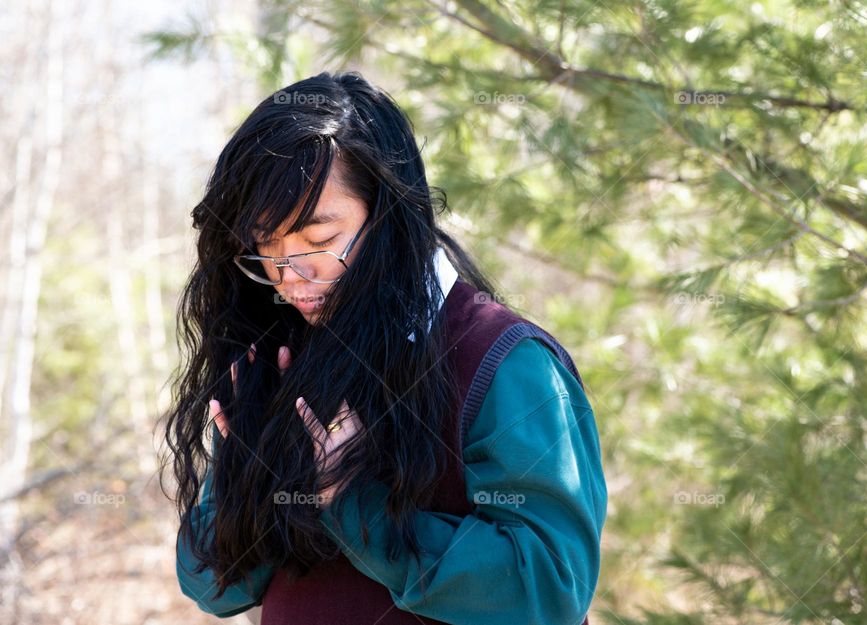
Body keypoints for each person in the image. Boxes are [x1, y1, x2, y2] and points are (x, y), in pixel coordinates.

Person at [165, 71, 607, 625]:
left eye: (319, 241)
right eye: (267, 249)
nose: (290, 277)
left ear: (389, 214)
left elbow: (549, 587)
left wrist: (354, 503)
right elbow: (211, 585)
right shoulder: (277, 352)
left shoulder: (504, 361)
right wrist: (249, 477)